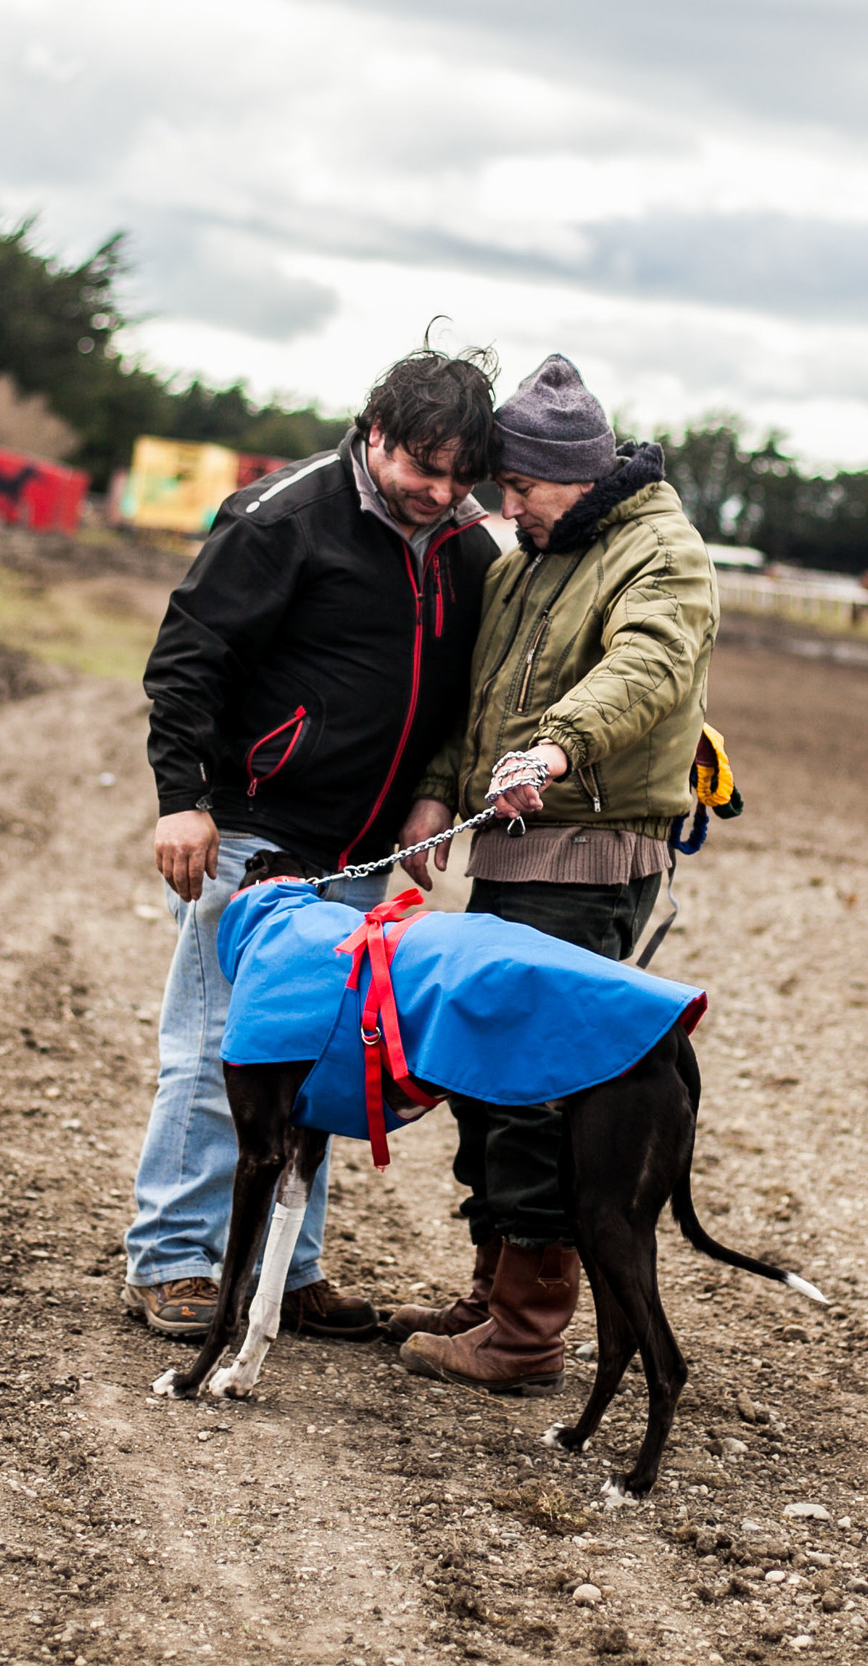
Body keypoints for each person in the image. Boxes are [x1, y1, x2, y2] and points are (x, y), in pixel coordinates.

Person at [126, 345, 503, 1339]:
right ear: (375, 432)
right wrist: (184, 798)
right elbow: (187, 660)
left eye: (463, 476)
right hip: (254, 835)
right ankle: (174, 1258)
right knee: (218, 1049)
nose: (441, 492)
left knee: (329, 1058)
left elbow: (458, 701)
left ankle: (285, 1270)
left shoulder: (466, 548)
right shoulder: (282, 518)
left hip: (365, 853)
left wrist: (434, 794)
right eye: (424, 467)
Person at [390, 353, 718, 1393]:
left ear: (574, 473)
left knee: (534, 1084)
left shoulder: (660, 555)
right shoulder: (533, 550)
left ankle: (528, 1328)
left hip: (586, 854)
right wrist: (442, 785)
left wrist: (559, 746)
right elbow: (479, 688)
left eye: (519, 485)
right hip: (515, 845)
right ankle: (494, 1287)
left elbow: (649, 666)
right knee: (486, 1070)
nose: (503, 502)